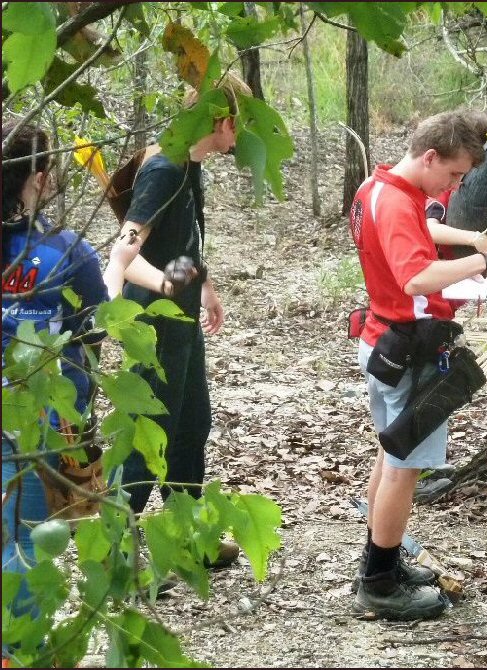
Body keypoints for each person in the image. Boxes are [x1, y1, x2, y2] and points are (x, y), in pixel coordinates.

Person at [349, 111, 487, 620]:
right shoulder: (396, 202)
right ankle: (378, 582)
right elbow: (417, 277)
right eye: (455, 175)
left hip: (383, 339)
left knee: (390, 452)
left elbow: (426, 231)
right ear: (430, 157)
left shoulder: (380, 186)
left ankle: (382, 560)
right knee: (404, 468)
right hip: (409, 349)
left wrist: (468, 242)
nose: (456, 185)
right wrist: (481, 263)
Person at [1, 121, 135, 662]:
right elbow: (98, 319)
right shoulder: (66, 251)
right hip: (43, 414)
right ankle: (16, 649)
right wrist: (120, 265)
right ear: (38, 177)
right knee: (29, 535)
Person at [108, 73, 252, 569]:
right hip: (153, 323)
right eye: (244, 123)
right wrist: (167, 287)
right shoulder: (165, 168)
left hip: (182, 319)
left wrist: (202, 282)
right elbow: (125, 250)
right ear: (223, 120)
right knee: (151, 431)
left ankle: (191, 537)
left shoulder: (192, 166)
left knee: (192, 424)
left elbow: (182, 241)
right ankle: (114, 554)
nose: (245, 135)